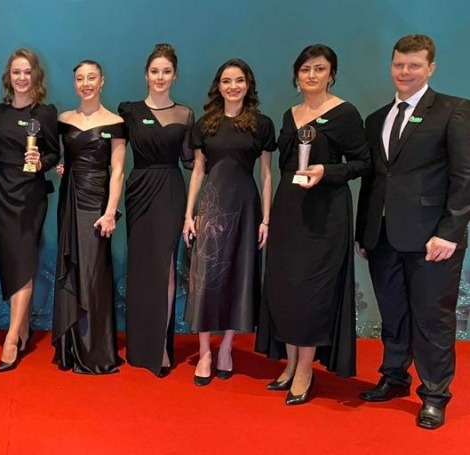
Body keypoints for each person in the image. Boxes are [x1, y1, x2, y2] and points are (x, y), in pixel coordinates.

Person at [355, 34, 470, 430]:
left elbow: (464, 177)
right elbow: (374, 180)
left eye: (414, 65)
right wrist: (365, 232)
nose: (405, 72)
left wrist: (450, 231)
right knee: (393, 313)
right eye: (399, 64)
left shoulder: (454, 110)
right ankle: (394, 377)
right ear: (391, 66)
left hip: (433, 240)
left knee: (432, 320)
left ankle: (435, 395)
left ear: (430, 68)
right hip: (383, 237)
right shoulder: (377, 119)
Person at [256, 44, 370, 405]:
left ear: (331, 74)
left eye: (319, 69)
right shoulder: (289, 115)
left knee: (311, 294)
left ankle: (306, 369)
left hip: (325, 215)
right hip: (289, 210)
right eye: (305, 69)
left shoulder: (345, 113)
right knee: (285, 289)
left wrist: (327, 171)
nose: (311, 75)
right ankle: (290, 364)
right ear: (296, 76)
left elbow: (363, 162)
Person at [183, 59, 275, 386]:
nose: (232, 86)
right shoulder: (205, 125)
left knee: (240, 273)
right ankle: (204, 351)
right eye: (226, 81)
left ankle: (226, 348)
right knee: (205, 278)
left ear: (248, 85)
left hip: (246, 208)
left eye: (239, 80)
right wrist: (189, 215)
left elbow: (266, 174)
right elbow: (197, 171)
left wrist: (266, 218)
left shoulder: (261, 125)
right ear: (218, 86)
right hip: (211, 206)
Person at [119, 43, 194, 378]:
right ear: (145, 75)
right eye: (154, 71)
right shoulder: (129, 111)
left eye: (166, 71)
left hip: (170, 192)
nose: (160, 77)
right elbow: (113, 154)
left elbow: (193, 161)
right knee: (141, 269)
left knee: (165, 269)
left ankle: (160, 345)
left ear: (174, 76)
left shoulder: (186, 114)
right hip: (139, 191)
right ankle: (140, 346)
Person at [53, 60, 126, 374]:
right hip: (69, 201)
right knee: (72, 270)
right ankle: (70, 349)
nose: (86, 83)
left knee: (94, 276)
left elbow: (118, 171)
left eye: (91, 77)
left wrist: (110, 212)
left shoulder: (116, 122)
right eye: (80, 78)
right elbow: (62, 158)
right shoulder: (63, 119)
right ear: (75, 84)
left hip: (97, 206)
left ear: (102, 81)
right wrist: (62, 167)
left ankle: (95, 350)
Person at [0, 48, 58, 372]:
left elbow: (54, 154)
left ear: (36, 76)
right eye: (16, 72)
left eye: (27, 72)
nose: (21, 77)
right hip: (4, 193)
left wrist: (40, 162)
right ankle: (24, 326)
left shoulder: (45, 113)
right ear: (9, 76)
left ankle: (11, 338)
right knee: (11, 263)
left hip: (31, 196)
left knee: (25, 262)